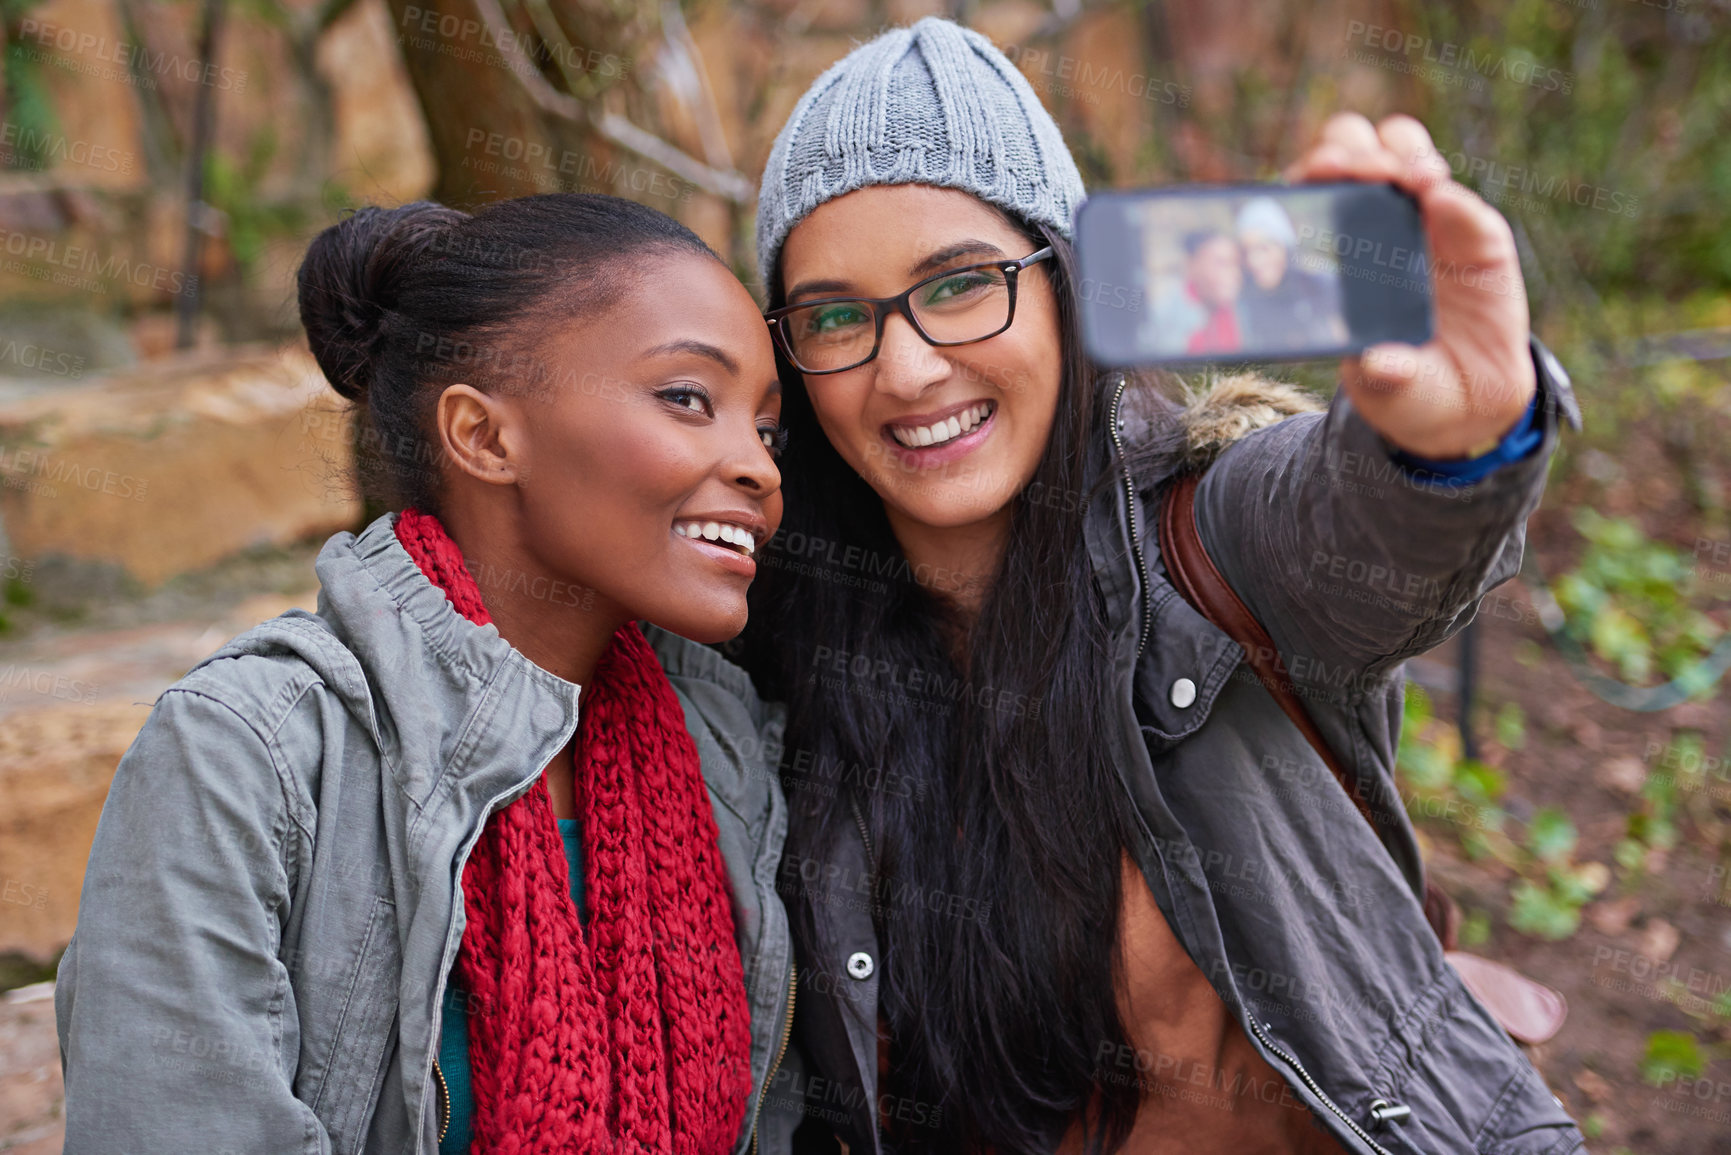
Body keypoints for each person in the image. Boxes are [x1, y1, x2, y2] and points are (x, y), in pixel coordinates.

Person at [742, 17, 1583, 1155]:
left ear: (1067, 283)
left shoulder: (1219, 540)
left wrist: (1460, 435)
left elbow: (1374, 526)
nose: (906, 368)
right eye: (835, 315)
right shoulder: (772, 641)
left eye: (961, 286)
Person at [54, 194, 801, 1155]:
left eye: (768, 429)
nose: (757, 468)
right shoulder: (243, 757)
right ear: (484, 437)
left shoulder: (718, 742)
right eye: (688, 398)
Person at [1234, 196, 1348, 352]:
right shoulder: (1245, 300)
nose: (1254, 261)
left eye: (1264, 248)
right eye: (1247, 251)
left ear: (1284, 247)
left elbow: (1343, 341)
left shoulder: (1319, 282)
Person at [1143, 228, 1244, 356]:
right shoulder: (1165, 317)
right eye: (1221, 263)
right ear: (1192, 265)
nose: (1235, 274)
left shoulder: (1240, 314)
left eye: (1237, 264)